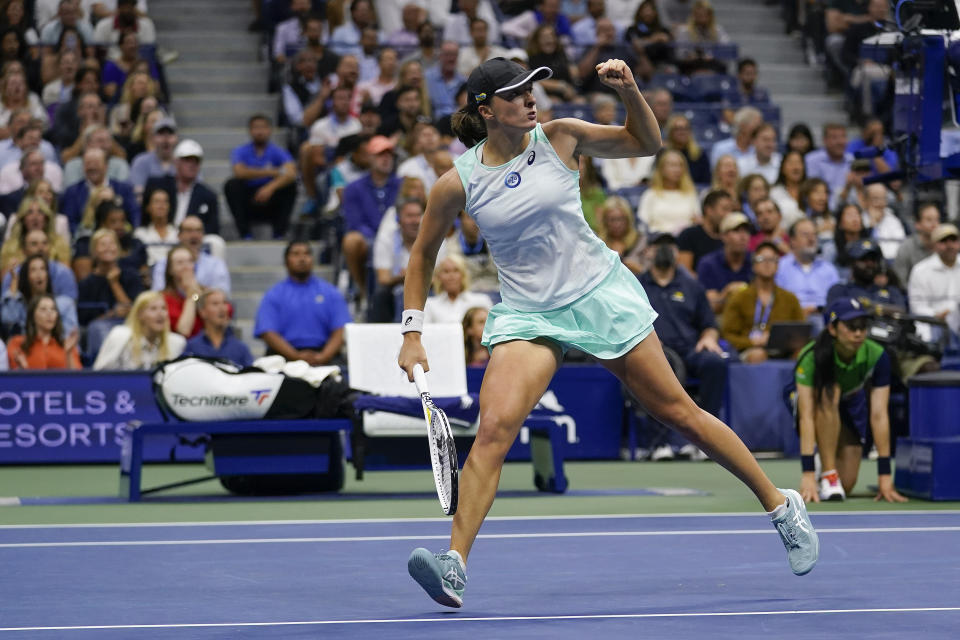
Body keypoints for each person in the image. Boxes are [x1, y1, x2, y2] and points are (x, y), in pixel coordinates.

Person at [398, 57, 818, 608]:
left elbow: (643, 142)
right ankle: (454, 564)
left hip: (598, 292)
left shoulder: (562, 137)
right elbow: (423, 253)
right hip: (529, 313)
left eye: (533, 89)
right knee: (494, 431)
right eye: (516, 93)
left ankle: (781, 505)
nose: (531, 98)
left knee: (678, 412)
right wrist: (412, 331)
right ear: (485, 109)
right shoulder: (458, 183)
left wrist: (631, 91)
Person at [794, 297, 906, 503]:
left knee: (846, 483)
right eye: (851, 326)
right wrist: (808, 473)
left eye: (863, 326)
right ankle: (827, 473)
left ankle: (827, 465)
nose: (858, 333)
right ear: (833, 329)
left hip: (850, 404)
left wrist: (884, 476)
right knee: (831, 391)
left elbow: (879, 415)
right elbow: (807, 416)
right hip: (811, 402)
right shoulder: (811, 356)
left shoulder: (877, 355)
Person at [638, 231, 726, 461]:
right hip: (656, 350)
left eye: (670, 246)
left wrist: (708, 338)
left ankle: (706, 442)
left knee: (715, 363)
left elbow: (709, 324)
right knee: (652, 366)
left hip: (689, 349)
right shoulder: (636, 285)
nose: (665, 250)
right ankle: (659, 444)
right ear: (647, 252)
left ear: (678, 253)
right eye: (658, 246)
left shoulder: (691, 286)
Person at [255, 241, 351, 364]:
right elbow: (268, 333)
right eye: (296, 254)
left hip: (325, 355)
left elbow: (341, 329)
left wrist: (323, 357)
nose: (302, 258)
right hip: (284, 356)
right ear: (286, 261)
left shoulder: (330, 292)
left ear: (312, 259)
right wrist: (295, 357)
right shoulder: (274, 294)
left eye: (307, 254)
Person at [721, 241, 804, 363]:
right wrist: (752, 342)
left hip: (784, 350)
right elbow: (727, 335)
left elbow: (801, 333)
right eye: (761, 259)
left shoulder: (790, 298)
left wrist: (777, 340)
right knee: (758, 355)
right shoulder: (739, 297)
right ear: (754, 265)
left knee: (803, 354)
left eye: (772, 259)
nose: (767, 263)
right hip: (749, 350)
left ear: (777, 265)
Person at [341, 134, 401, 301]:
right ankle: (363, 291)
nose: (386, 159)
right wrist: (378, 239)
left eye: (389, 155)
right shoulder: (353, 188)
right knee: (352, 241)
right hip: (369, 238)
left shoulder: (403, 185)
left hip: (400, 236)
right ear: (370, 158)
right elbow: (355, 223)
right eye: (381, 155)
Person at [224, 114, 297, 240]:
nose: (259, 131)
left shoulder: (278, 151)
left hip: (271, 200)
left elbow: (291, 173)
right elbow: (240, 172)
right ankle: (245, 234)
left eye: (263, 128)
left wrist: (270, 187)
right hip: (249, 199)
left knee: (291, 185)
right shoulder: (240, 151)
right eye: (256, 128)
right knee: (232, 185)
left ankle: (279, 233)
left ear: (270, 130)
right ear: (250, 131)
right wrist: (273, 172)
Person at [93, 290, 186, 370]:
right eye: (153, 309)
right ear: (140, 314)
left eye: (163, 308)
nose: (160, 314)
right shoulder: (121, 336)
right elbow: (100, 374)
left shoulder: (175, 343)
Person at [142, 139, 220, 235]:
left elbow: (212, 229)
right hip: (160, 236)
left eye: (196, 161)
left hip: (191, 242)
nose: (192, 165)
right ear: (176, 162)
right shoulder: (158, 185)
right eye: (187, 160)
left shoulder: (208, 196)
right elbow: (145, 216)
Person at [776, 218, 840, 325]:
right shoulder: (781, 267)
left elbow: (837, 301)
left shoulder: (829, 269)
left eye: (814, 234)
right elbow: (775, 300)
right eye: (805, 235)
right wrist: (798, 312)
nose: (811, 239)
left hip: (824, 320)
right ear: (793, 241)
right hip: (791, 320)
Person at [1, 253, 77, 339]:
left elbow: (71, 336)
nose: (39, 274)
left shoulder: (64, 304)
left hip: (58, 349)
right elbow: (8, 320)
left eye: (42, 269)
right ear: (26, 277)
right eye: (33, 270)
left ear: (47, 275)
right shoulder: (20, 304)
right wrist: (14, 280)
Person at [149, 216, 231, 294]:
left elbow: (223, 294)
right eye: (189, 230)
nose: (194, 235)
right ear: (179, 235)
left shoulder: (216, 264)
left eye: (198, 230)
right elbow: (158, 294)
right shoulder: (164, 264)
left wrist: (194, 289)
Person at [908, 223, 960, 338]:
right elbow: (917, 307)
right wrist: (937, 314)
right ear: (934, 245)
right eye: (943, 241)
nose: (949, 245)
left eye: (953, 240)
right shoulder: (920, 270)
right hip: (933, 323)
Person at [697, 212, 753, 314]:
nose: (743, 236)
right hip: (719, 319)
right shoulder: (708, 264)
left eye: (746, 231)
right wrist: (727, 293)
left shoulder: (755, 262)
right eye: (736, 231)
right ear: (723, 236)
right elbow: (710, 308)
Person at [183, 288, 253, 368]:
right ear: (202, 312)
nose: (222, 308)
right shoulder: (192, 347)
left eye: (224, 303)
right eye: (215, 304)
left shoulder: (240, 349)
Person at [6, 293, 80, 369]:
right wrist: (23, 368)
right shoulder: (17, 343)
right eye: (43, 309)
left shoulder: (66, 345)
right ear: (32, 316)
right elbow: (12, 378)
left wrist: (68, 354)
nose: (49, 313)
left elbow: (77, 379)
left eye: (53, 309)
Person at [636, 148, 700, 234]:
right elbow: (642, 225)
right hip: (658, 240)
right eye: (673, 165)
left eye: (681, 165)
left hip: (684, 241)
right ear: (661, 169)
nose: (677, 170)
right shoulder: (650, 194)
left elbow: (697, 220)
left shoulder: (690, 194)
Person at [423, 254, 492, 324]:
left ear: (463, 275)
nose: (451, 276)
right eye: (446, 271)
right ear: (439, 277)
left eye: (456, 271)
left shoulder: (481, 301)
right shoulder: (429, 305)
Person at [677, 189, 733, 273]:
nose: (729, 214)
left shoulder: (732, 237)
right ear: (709, 210)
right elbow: (685, 272)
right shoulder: (689, 235)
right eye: (724, 209)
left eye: (731, 210)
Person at [805, 123, 852, 210]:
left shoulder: (853, 161)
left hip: (848, 211)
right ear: (825, 140)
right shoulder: (812, 160)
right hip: (821, 211)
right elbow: (813, 194)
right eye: (834, 138)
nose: (840, 142)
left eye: (843, 137)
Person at [595, 194, 645, 274]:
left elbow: (648, 274)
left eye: (621, 219)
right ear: (605, 221)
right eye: (612, 219)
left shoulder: (639, 240)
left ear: (629, 219)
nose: (617, 224)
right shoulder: (598, 242)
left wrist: (637, 269)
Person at [893, 202, 940, 285]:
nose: (934, 224)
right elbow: (900, 281)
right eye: (929, 220)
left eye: (937, 220)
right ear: (917, 224)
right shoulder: (906, 247)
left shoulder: (945, 246)